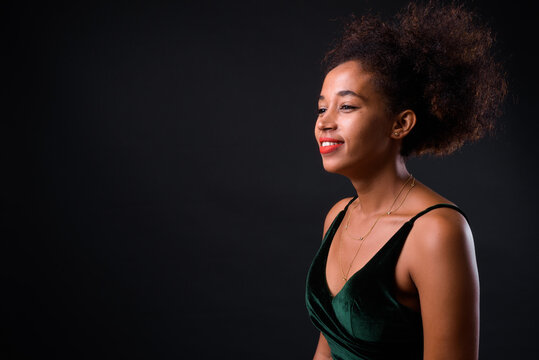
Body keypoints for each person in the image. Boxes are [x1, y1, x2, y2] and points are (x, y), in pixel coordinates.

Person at [304, 2, 507, 359]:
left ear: (400, 124)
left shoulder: (437, 231)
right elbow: (327, 349)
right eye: (322, 108)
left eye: (347, 106)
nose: (325, 122)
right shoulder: (337, 217)